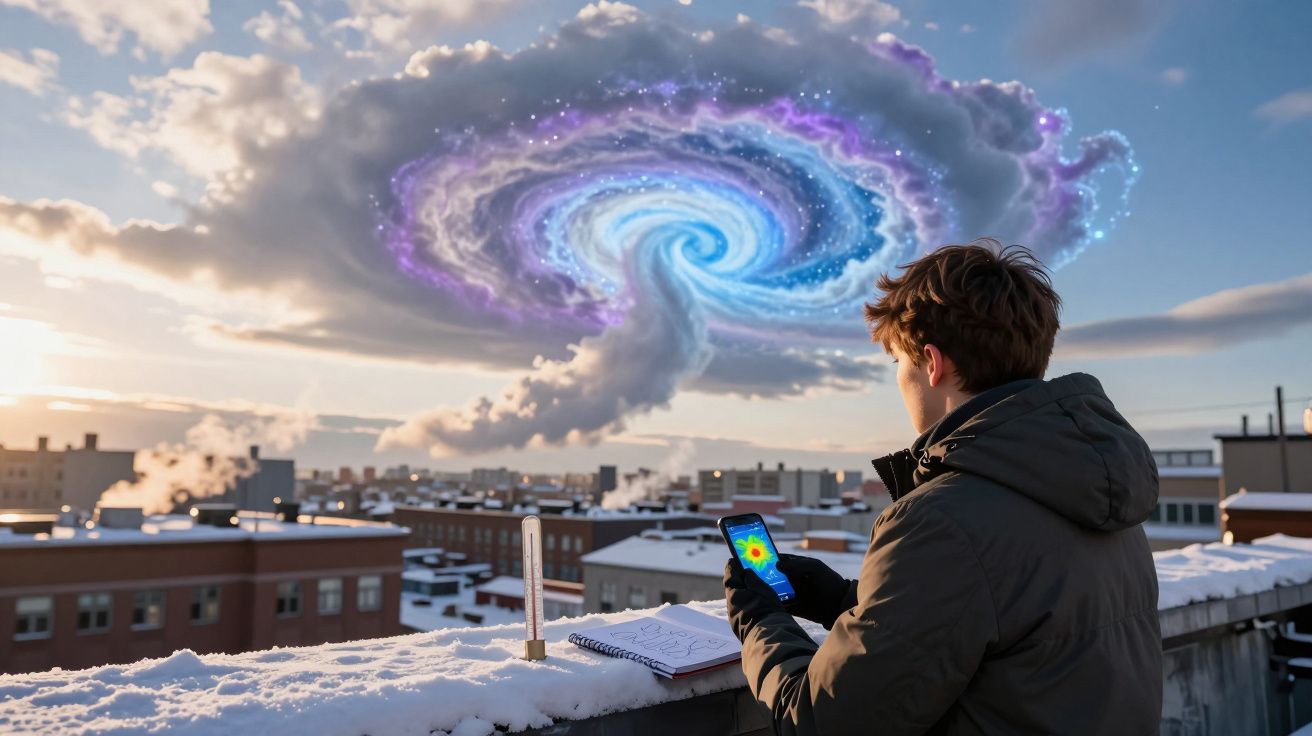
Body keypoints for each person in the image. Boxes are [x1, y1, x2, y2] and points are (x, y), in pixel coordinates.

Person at [723, 239, 1162, 735]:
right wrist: (840, 600)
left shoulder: (940, 521)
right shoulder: (1096, 483)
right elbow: (1004, 617)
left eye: (898, 363)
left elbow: (822, 722)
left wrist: (760, 624)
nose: (900, 381)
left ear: (932, 363)